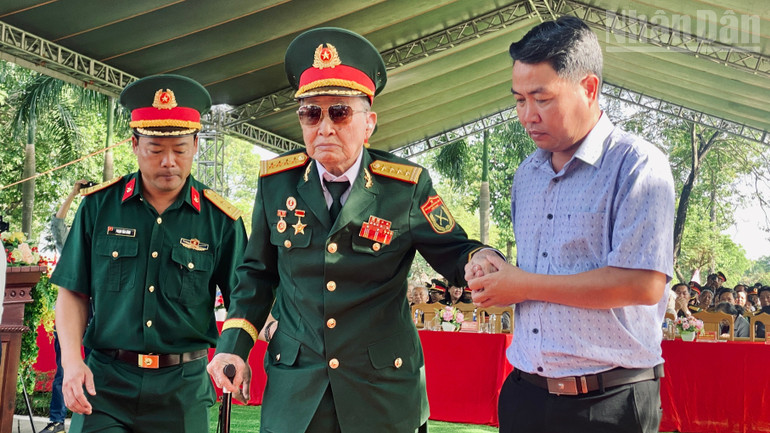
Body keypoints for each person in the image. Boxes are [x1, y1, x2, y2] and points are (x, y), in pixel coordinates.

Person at [206, 27, 499, 433]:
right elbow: (256, 275)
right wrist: (232, 348)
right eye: (311, 113)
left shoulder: (405, 187)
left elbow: (455, 249)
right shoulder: (277, 183)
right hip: (297, 393)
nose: (324, 127)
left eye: (339, 112)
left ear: (369, 123)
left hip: (381, 393)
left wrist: (480, 259)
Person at [465, 16, 674, 433]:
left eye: (542, 99)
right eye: (519, 100)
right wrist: (495, 271)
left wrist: (523, 284)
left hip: (608, 401)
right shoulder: (528, 174)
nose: (528, 116)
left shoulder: (636, 165)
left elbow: (642, 284)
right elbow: (536, 270)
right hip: (526, 393)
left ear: (589, 88)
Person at [50, 74, 247, 433]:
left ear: (196, 145)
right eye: (156, 149)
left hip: (183, 390)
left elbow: (244, 301)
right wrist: (72, 363)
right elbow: (72, 292)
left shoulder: (221, 221)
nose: (169, 161)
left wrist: (236, 350)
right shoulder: (98, 207)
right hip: (105, 384)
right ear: (134, 144)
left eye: (180, 149)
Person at [42, 179, 92, 433]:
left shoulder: (107, 235)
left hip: (99, 316)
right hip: (71, 313)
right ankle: (57, 421)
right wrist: (74, 193)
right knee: (64, 368)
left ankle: (93, 420)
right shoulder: (71, 240)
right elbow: (57, 223)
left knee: (98, 370)